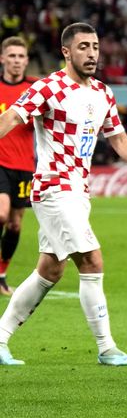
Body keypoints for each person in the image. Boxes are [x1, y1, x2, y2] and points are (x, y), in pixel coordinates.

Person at [0, 22, 127, 366]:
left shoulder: (103, 93)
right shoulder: (48, 87)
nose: (92, 53)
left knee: (50, 270)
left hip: (78, 190)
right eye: (83, 47)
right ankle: (107, 348)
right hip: (53, 188)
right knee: (92, 260)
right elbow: (13, 118)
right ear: (66, 52)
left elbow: (118, 139)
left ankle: (0, 339)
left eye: (95, 46)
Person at [0, 37, 36, 296]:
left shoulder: (35, 89)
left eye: (20, 56)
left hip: (24, 166)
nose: (16, 61)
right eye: (11, 56)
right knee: (1, 214)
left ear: (26, 60)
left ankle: (1, 274)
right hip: (0, 162)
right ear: (2, 59)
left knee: (14, 224)